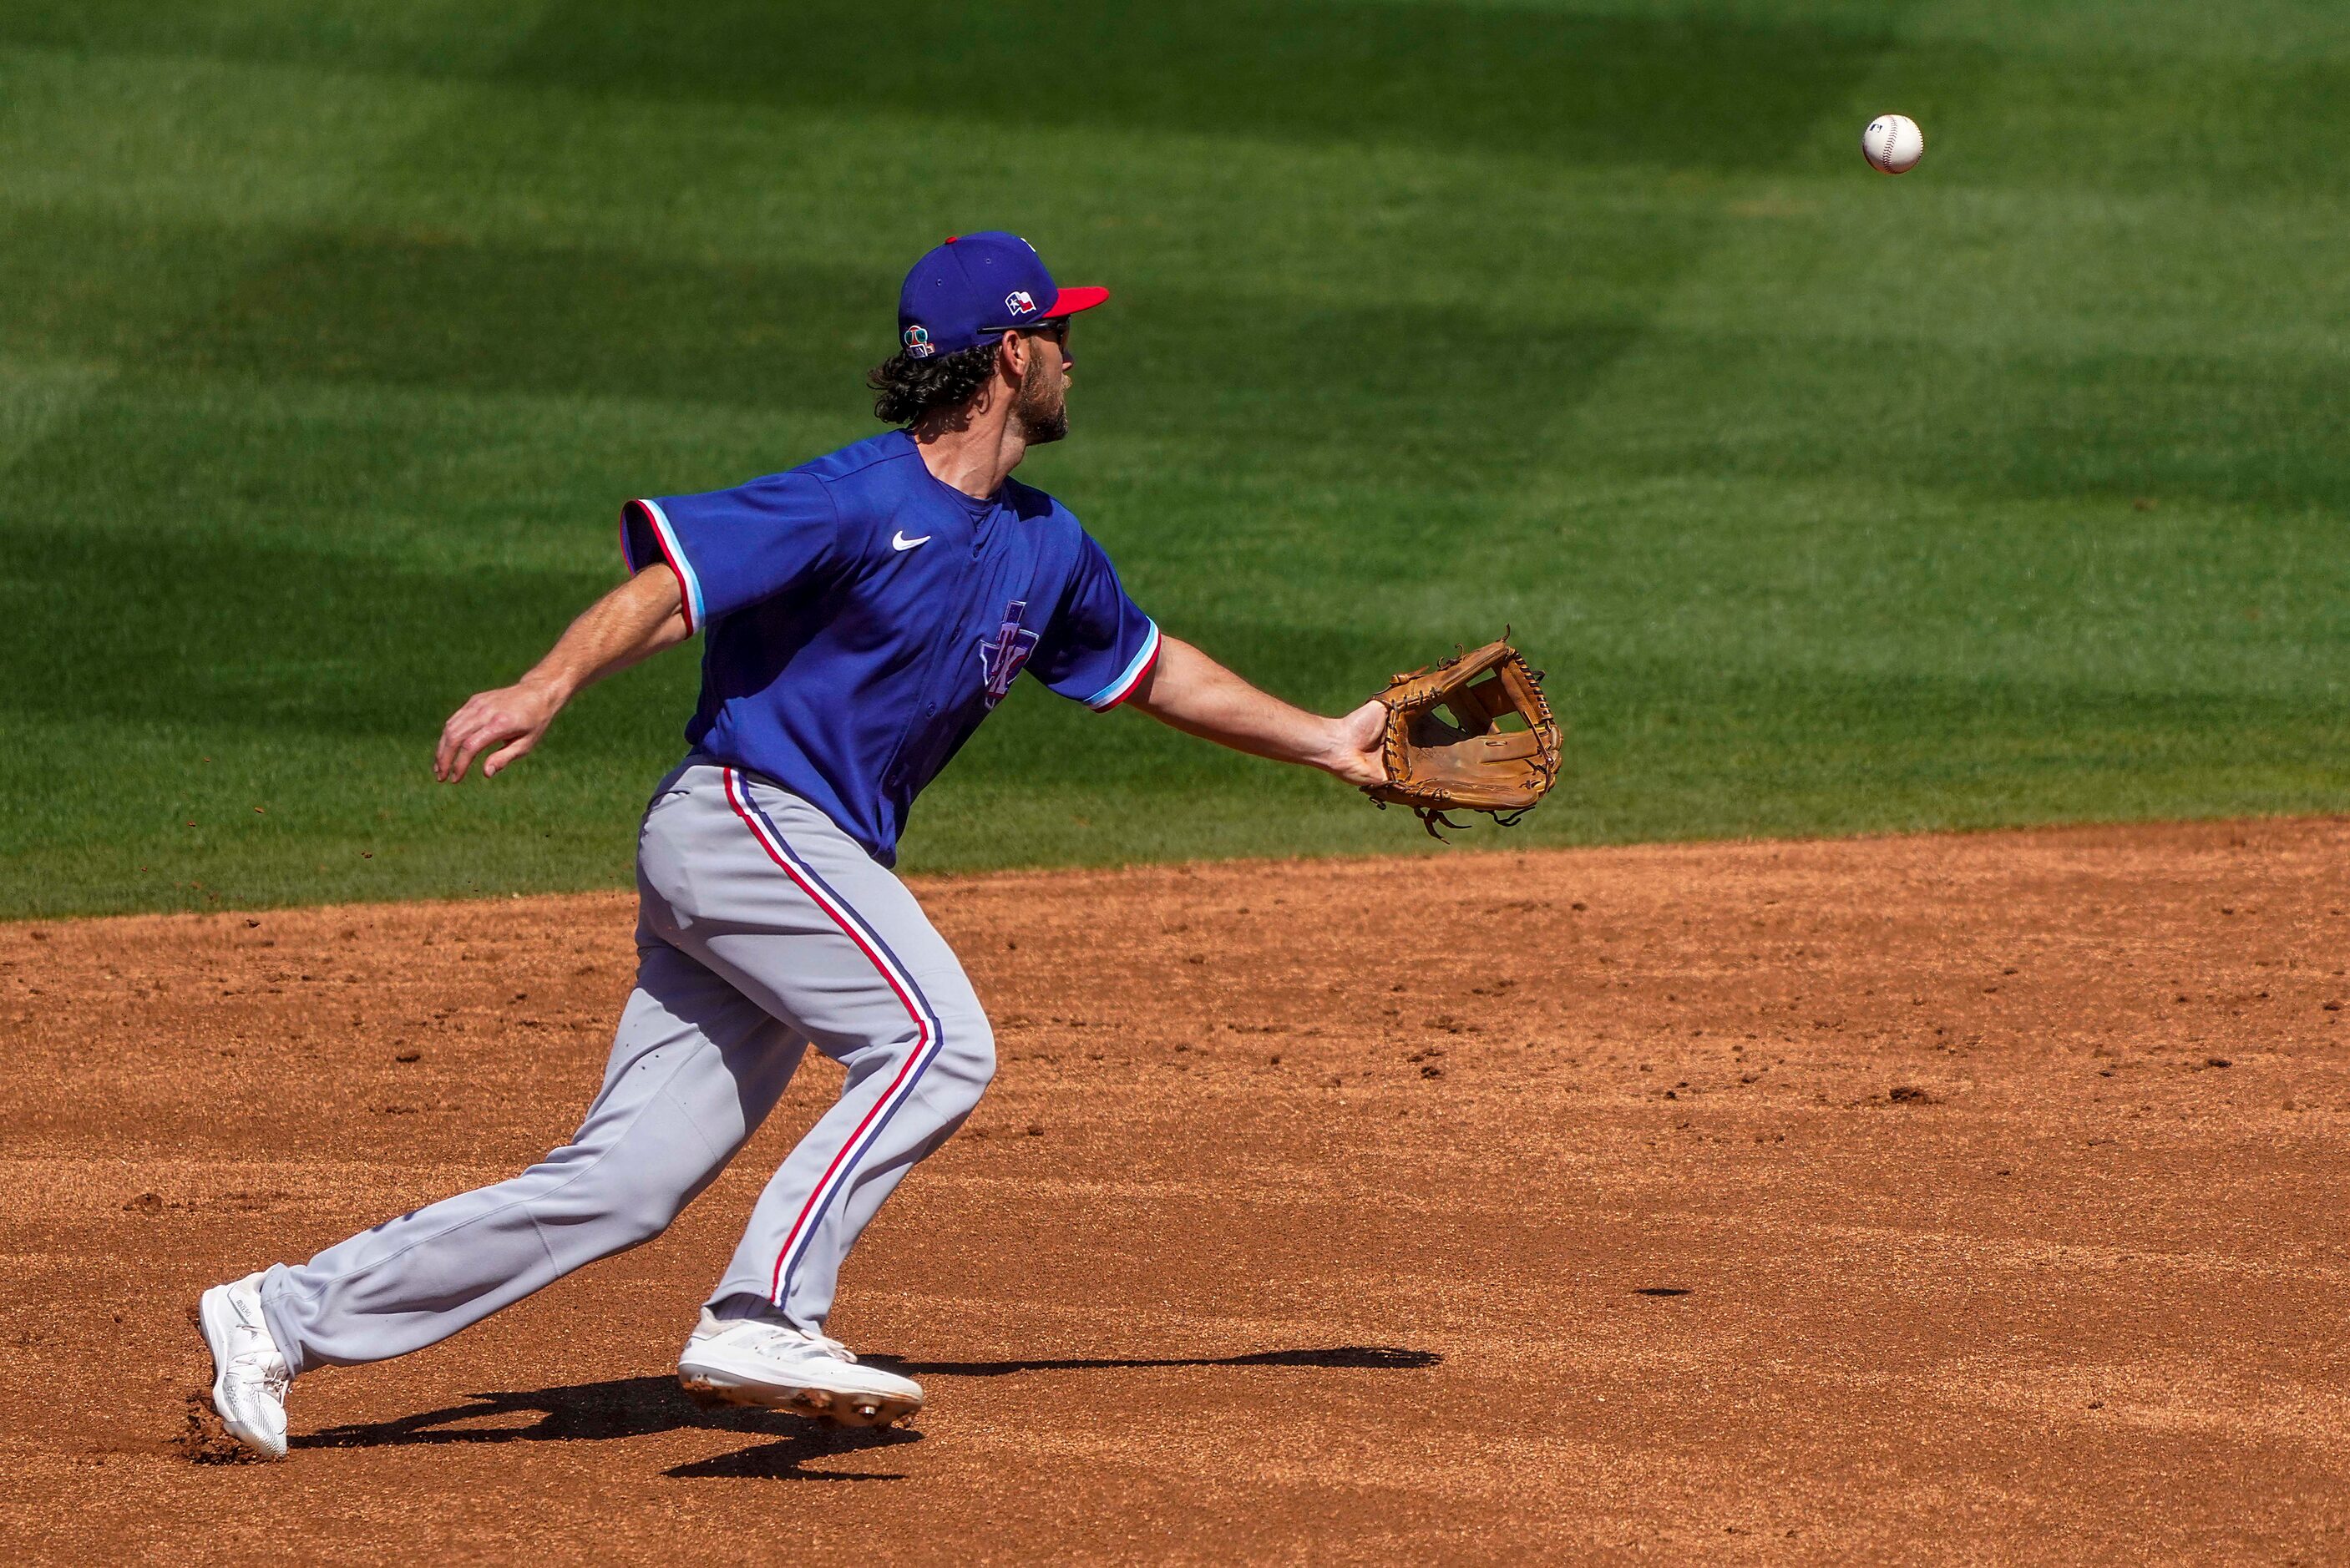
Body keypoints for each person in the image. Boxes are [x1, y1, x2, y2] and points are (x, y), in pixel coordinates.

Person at [197, 232, 1389, 1459]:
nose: (1076, 363)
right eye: (1061, 339)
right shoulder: (857, 496)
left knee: (626, 1181)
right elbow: (674, 584)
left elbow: (1150, 669)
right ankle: (764, 1306)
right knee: (934, 1040)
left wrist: (1332, 745)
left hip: (787, 859)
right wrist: (547, 681)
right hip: (745, 816)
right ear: (1010, 355)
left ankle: (277, 1314)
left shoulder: (1044, 543)